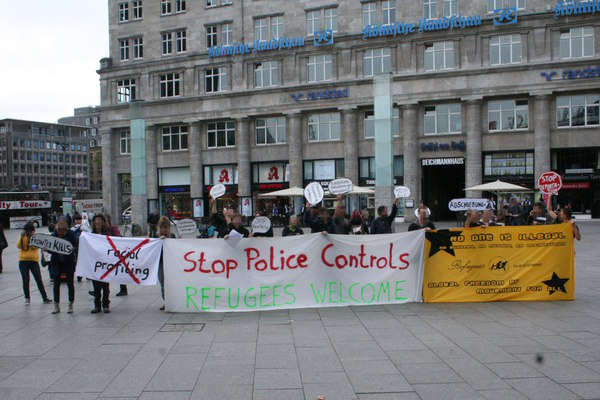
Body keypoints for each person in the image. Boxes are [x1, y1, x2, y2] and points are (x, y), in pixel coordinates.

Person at [17, 222, 52, 305]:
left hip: (33, 261)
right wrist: (22, 237)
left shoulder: (36, 238)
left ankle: (44, 297)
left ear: (33, 231)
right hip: (23, 261)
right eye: (27, 230)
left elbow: (35, 247)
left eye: (30, 231)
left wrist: (31, 238)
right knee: (25, 280)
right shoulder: (23, 237)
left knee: (38, 279)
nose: (29, 232)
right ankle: (27, 298)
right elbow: (19, 246)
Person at [49, 217, 77, 314]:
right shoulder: (54, 234)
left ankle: (70, 304)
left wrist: (73, 249)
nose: (61, 225)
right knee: (56, 284)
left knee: (70, 283)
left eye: (63, 223)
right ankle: (56, 305)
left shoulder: (71, 234)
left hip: (68, 261)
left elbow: (76, 245)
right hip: (56, 262)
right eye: (59, 223)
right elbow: (50, 247)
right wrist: (46, 249)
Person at [91, 214, 111, 313]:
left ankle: (106, 304)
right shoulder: (91, 235)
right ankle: (97, 305)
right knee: (96, 286)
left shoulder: (107, 234)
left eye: (100, 220)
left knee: (105, 286)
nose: (98, 222)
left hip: (105, 264)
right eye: (96, 220)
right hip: (95, 264)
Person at [157, 216, 176, 311]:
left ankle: (171, 300)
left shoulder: (172, 236)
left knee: (171, 283)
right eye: (162, 227)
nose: (164, 230)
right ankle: (166, 301)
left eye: (166, 227)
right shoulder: (156, 238)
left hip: (171, 263)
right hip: (160, 263)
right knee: (163, 283)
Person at [106, 214, 127, 296]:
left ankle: (123, 289)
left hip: (116, 253)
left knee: (120, 271)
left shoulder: (113, 229)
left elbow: (117, 238)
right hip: (109, 253)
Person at [71, 213, 90, 282]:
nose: (78, 221)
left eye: (79, 219)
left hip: (77, 247)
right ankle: (86, 275)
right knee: (85, 260)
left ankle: (80, 275)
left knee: (78, 261)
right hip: (82, 247)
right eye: (77, 220)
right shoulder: (84, 227)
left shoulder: (72, 229)